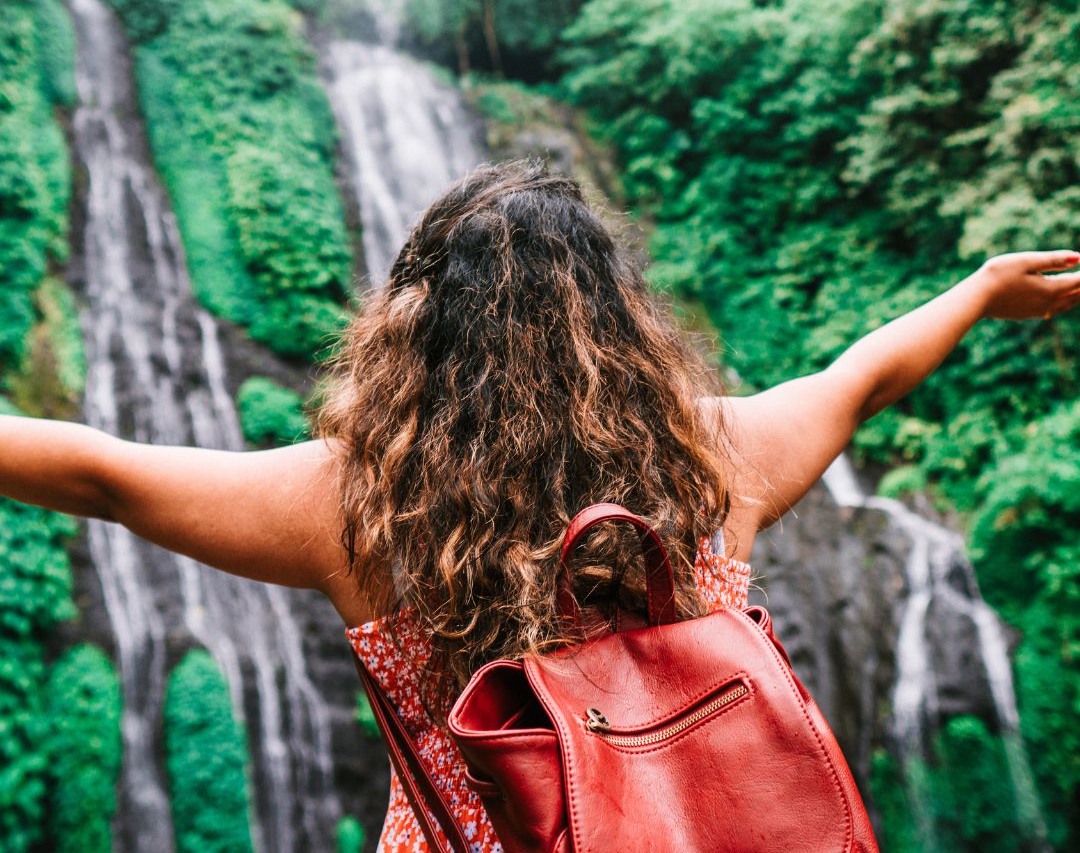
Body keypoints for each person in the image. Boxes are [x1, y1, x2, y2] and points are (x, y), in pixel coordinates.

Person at [1, 159, 1077, 852]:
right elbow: (862, 378)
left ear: (416, 323)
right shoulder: (714, 457)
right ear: (618, 318)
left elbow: (106, 473)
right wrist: (981, 288)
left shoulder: (357, 502)